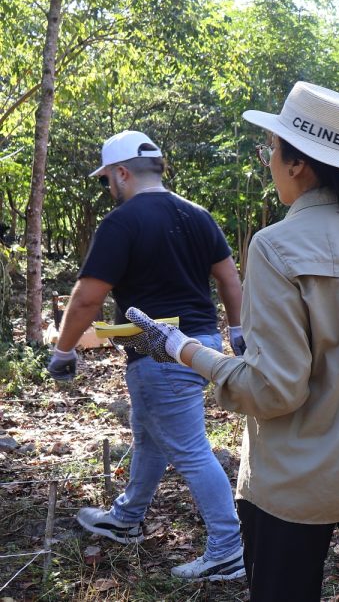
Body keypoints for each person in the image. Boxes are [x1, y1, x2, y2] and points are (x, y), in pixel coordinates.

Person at [126, 81, 339, 601]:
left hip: (297, 484)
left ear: (297, 164)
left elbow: (274, 389)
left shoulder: (277, 247)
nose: (269, 161)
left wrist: (182, 348)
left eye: (270, 149)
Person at [46, 130, 245, 581]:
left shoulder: (122, 222)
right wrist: (236, 331)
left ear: (122, 174)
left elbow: (87, 298)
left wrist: (63, 350)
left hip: (159, 353)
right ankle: (127, 517)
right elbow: (229, 279)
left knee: (191, 451)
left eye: (106, 180)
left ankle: (228, 548)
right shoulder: (197, 214)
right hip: (201, 344)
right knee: (150, 435)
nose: (108, 189)